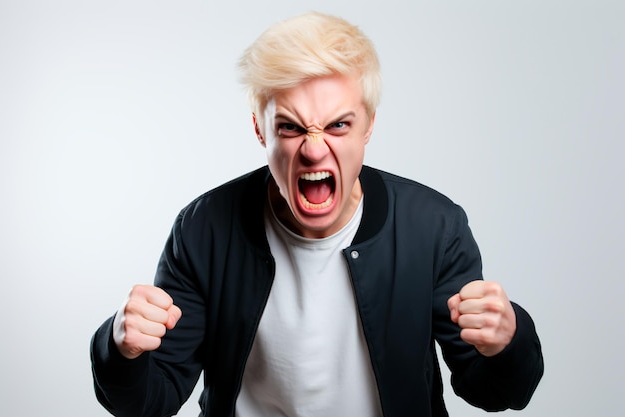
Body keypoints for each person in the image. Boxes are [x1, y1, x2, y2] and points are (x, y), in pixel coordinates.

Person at [90, 11, 543, 417]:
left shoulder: (434, 227)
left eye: (338, 125)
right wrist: (120, 348)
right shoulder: (204, 228)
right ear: (258, 129)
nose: (312, 149)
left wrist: (508, 341)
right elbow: (152, 399)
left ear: (368, 125)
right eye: (289, 127)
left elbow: (494, 393)